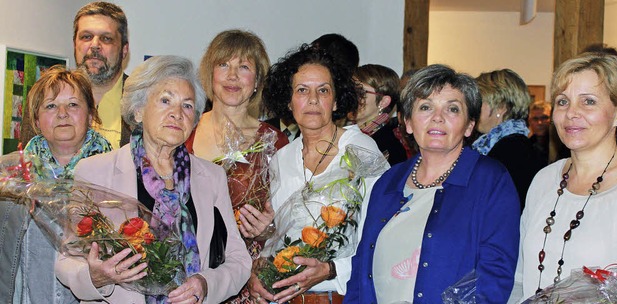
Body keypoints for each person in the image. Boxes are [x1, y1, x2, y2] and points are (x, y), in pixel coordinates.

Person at [56, 56, 251, 303]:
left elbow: (239, 259)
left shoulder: (212, 176)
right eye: (165, 100)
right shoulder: (95, 171)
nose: (177, 114)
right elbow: (67, 260)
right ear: (139, 110)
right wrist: (96, 277)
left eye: (187, 105)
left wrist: (206, 284)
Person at [345, 64, 520, 303]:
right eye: (425, 107)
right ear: (407, 122)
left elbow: (495, 275)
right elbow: (361, 267)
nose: (437, 117)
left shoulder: (490, 180)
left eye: (452, 109)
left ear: (469, 125)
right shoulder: (389, 181)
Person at [248, 44, 387, 304]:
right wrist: (260, 262)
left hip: (340, 295)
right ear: (288, 101)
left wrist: (330, 269)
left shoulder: (361, 150)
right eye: (302, 90)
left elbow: (383, 232)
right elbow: (280, 234)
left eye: (323, 90)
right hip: (285, 296)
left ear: (335, 101)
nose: (313, 99)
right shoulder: (282, 158)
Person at [509, 53, 617, 302]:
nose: (571, 113)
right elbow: (521, 276)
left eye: (588, 102)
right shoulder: (544, 180)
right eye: (562, 102)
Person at [186, 29, 288, 303]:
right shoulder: (183, 131)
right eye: (223, 65)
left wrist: (270, 229)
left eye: (243, 67)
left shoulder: (275, 142)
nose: (232, 76)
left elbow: (291, 217)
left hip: (248, 280)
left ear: (257, 81)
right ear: (210, 75)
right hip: (187, 273)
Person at [6, 66, 112, 304]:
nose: (62, 113)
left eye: (73, 105)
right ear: (36, 119)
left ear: (91, 115)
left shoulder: (115, 171)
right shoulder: (13, 176)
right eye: (51, 106)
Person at [20, 2, 133, 148]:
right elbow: (29, 161)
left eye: (106, 38)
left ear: (124, 50)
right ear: (75, 45)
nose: (95, 45)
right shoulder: (43, 95)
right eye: (86, 37)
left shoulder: (142, 101)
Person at [472, 69, 546, 211]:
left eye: (479, 103)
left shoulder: (511, 149)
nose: (473, 110)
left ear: (500, 107)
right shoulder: (508, 144)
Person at [352, 64, 407, 165]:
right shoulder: (348, 132)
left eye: (360, 92)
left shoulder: (390, 146)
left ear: (383, 102)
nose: (351, 97)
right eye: (350, 90)